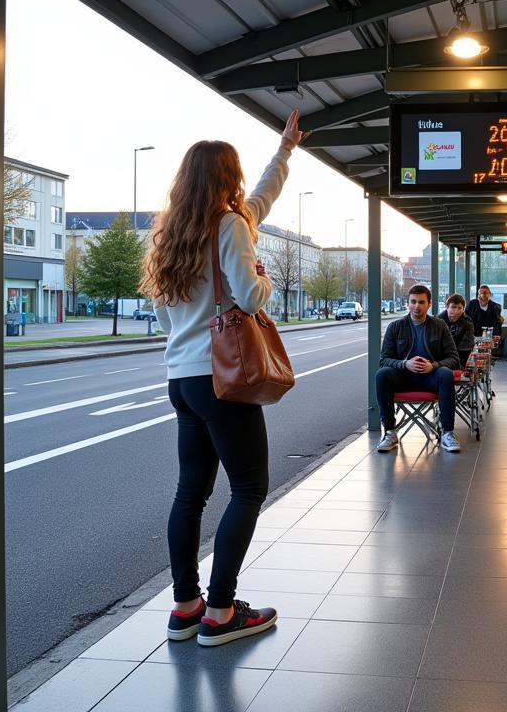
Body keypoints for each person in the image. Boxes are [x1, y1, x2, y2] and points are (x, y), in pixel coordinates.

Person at [142, 110, 308, 648]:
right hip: (224, 379)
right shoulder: (229, 226)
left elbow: (259, 202)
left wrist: (283, 153)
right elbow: (247, 295)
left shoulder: (171, 235)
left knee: (190, 492)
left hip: (183, 380)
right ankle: (221, 611)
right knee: (248, 488)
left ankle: (186, 605)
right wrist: (263, 279)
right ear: (226, 177)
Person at [376, 285, 462, 453]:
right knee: (382, 375)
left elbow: (454, 359)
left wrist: (434, 366)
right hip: (403, 377)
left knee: (445, 374)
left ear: (429, 304)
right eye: (413, 302)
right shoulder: (395, 327)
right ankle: (390, 432)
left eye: (421, 302)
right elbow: (384, 360)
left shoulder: (440, 326)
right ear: (408, 303)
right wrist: (404, 364)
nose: (417, 306)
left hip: (431, 378)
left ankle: (448, 433)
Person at [440, 292, 476, 370]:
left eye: (459, 308)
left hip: (459, 358)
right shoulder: (438, 321)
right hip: (440, 359)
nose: (456, 311)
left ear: (463, 309)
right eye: (453, 307)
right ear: (447, 307)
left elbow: (466, 347)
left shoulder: (467, 323)